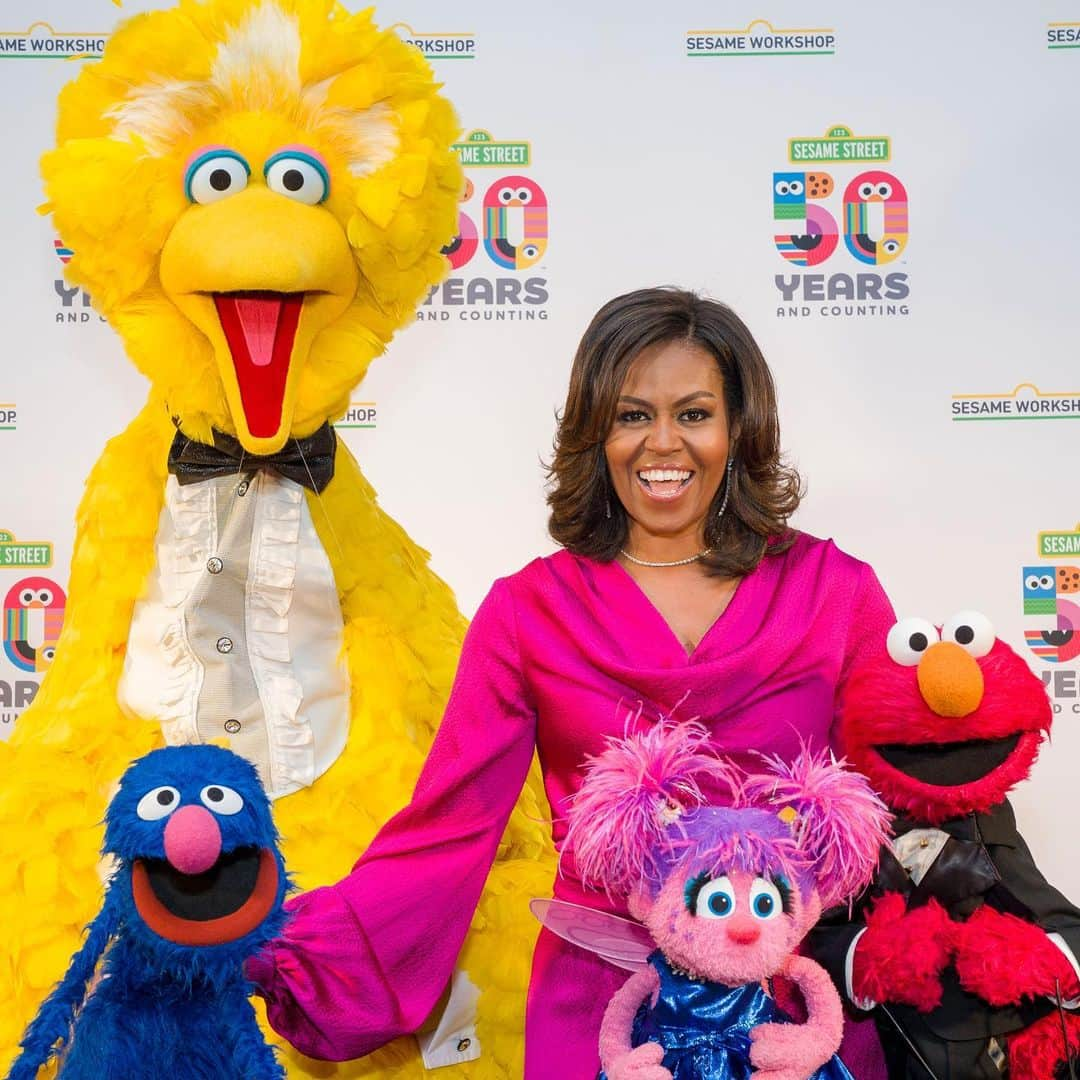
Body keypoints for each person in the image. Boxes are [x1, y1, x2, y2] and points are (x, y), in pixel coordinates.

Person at [249, 287, 895, 1078]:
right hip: (601, 1010)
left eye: (694, 414)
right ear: (595, 434)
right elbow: (449, 827)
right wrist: (264, 946)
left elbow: (912, 799)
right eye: (632, 416)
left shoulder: (838, 592)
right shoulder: (528, 611)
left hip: (795, 1012)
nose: (664, 444)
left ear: (740, 429)